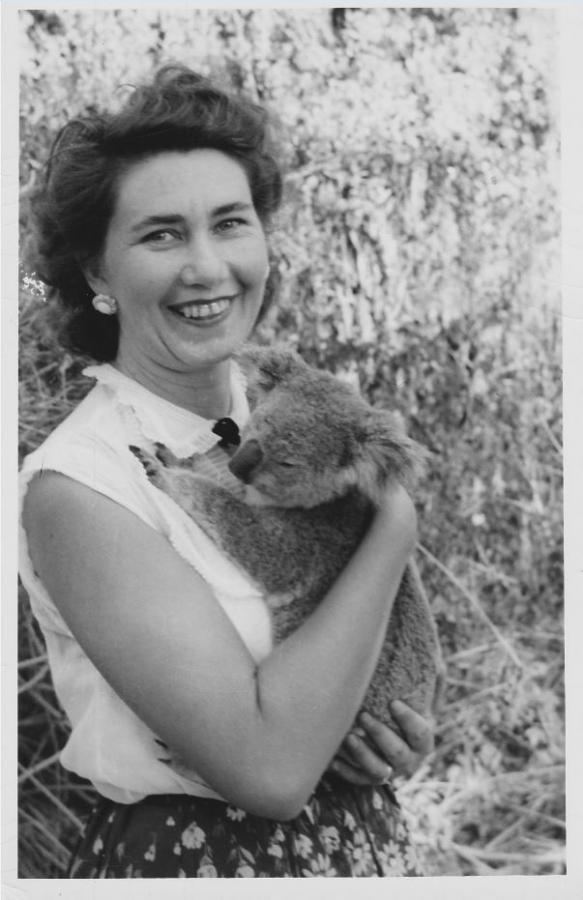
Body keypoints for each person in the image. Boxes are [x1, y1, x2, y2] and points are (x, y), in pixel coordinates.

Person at [19, 65, 434, 878]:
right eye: (161, 234)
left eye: (230, 223)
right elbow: (270, 771)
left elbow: (359, 647)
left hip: (360, 846)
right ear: (98, 275)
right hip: (204, 860)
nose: (207, 267)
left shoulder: (300, 411)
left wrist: (397, 733)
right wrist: (395, 530)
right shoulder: (81, 483)